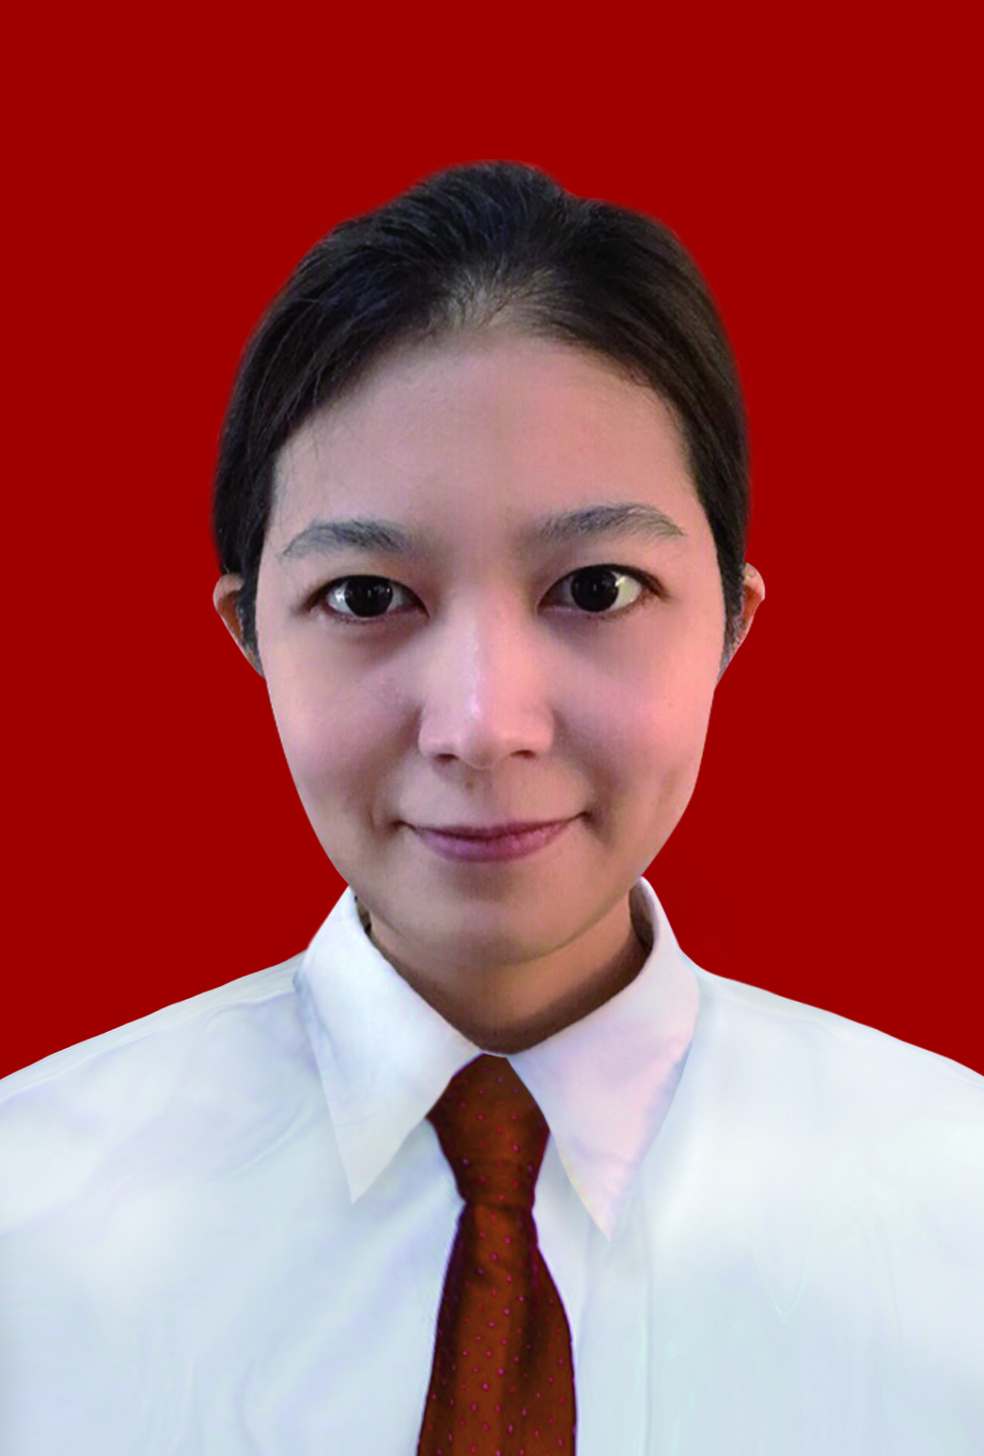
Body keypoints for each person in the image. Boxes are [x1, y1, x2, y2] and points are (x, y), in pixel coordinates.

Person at [1, 161, 981, 1455]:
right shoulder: (31, 1215)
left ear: (731, 625)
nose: (482, 723)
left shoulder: (955, 1205)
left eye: (597, 589)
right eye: (366, 597)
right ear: (251, 636)